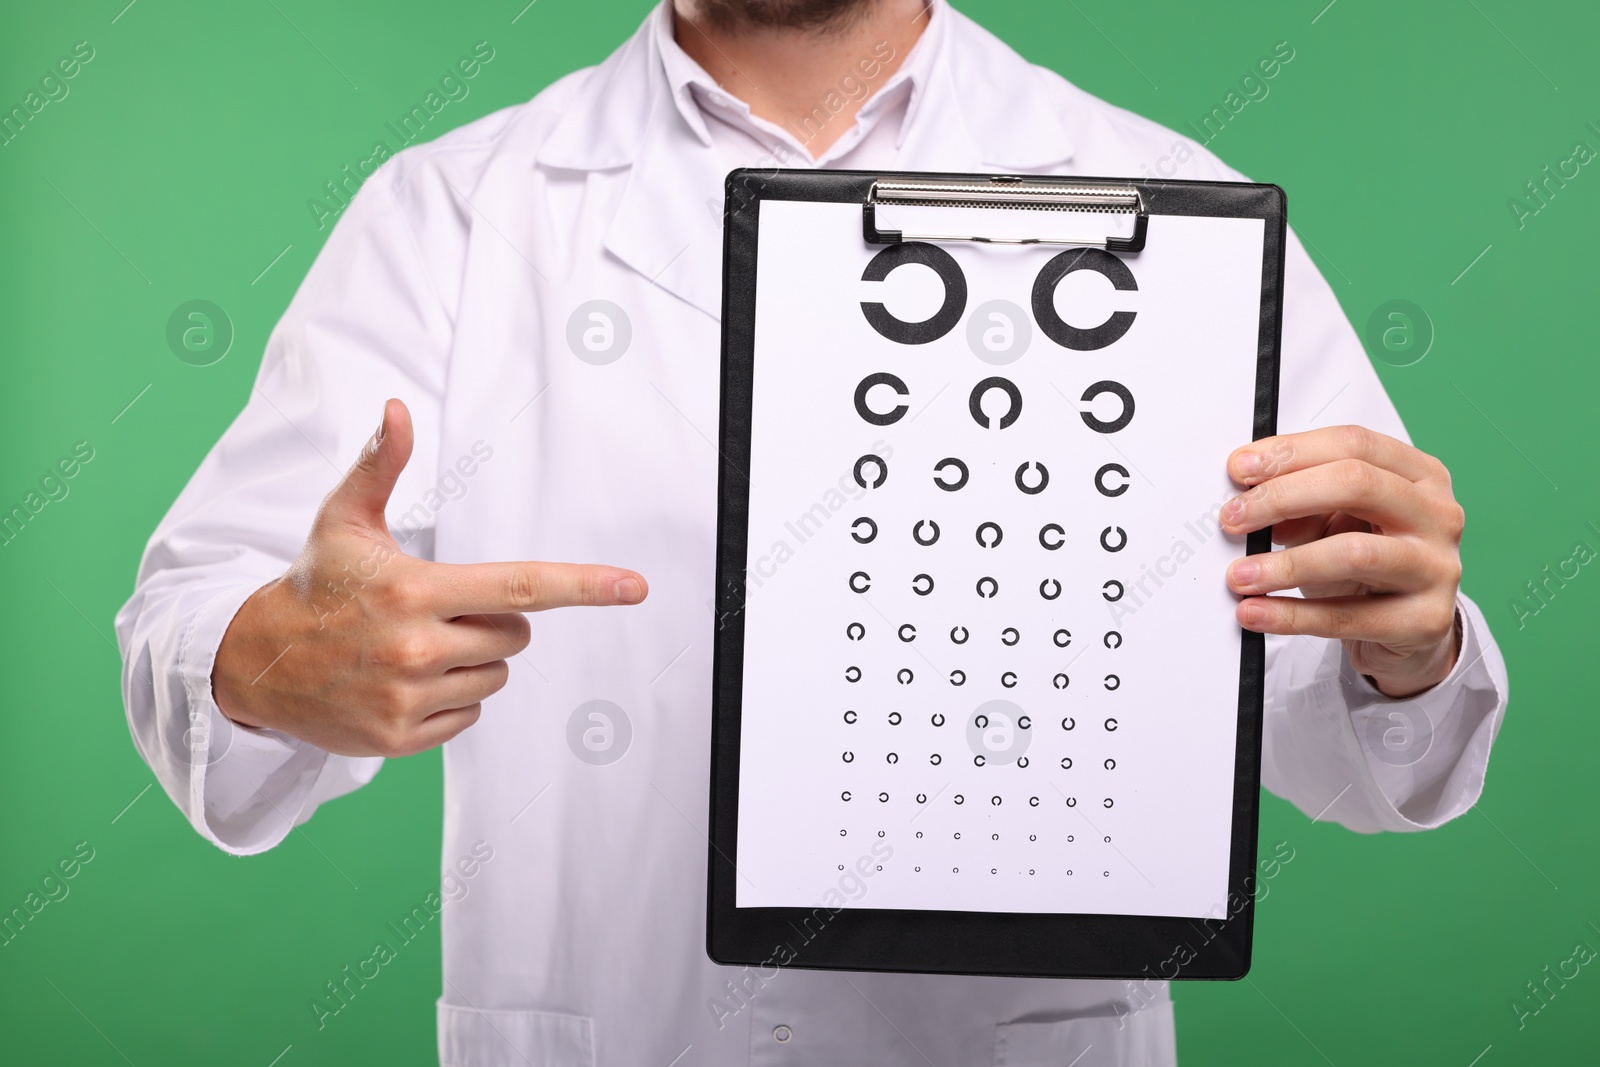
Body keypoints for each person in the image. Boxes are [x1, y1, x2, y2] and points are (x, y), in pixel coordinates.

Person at [115, 1, 1508, 1063]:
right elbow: (193, 622)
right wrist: (263, 657)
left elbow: (1373, 755)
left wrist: (1409, 645)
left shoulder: (1167, 204)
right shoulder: (458, 213)